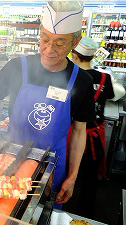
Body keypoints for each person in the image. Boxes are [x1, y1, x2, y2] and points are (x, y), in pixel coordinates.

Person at [0, 1, 95, 208]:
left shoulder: (82, 81)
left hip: (51, 168)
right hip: (10, 160)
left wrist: (72, 177)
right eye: (45, 39)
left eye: (60, 43)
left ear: (75, 42)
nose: (48, 49)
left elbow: (80, 133)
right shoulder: (17, 67)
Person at [68, 37, 124, 219]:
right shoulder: (104, 78)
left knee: (66, 173)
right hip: (93, 137)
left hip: (70, 135)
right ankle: (85, 216)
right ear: (92, 56)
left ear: (75, 56)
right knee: (89, 178)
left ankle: (61, 210)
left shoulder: (70, 76)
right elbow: (110, 95)